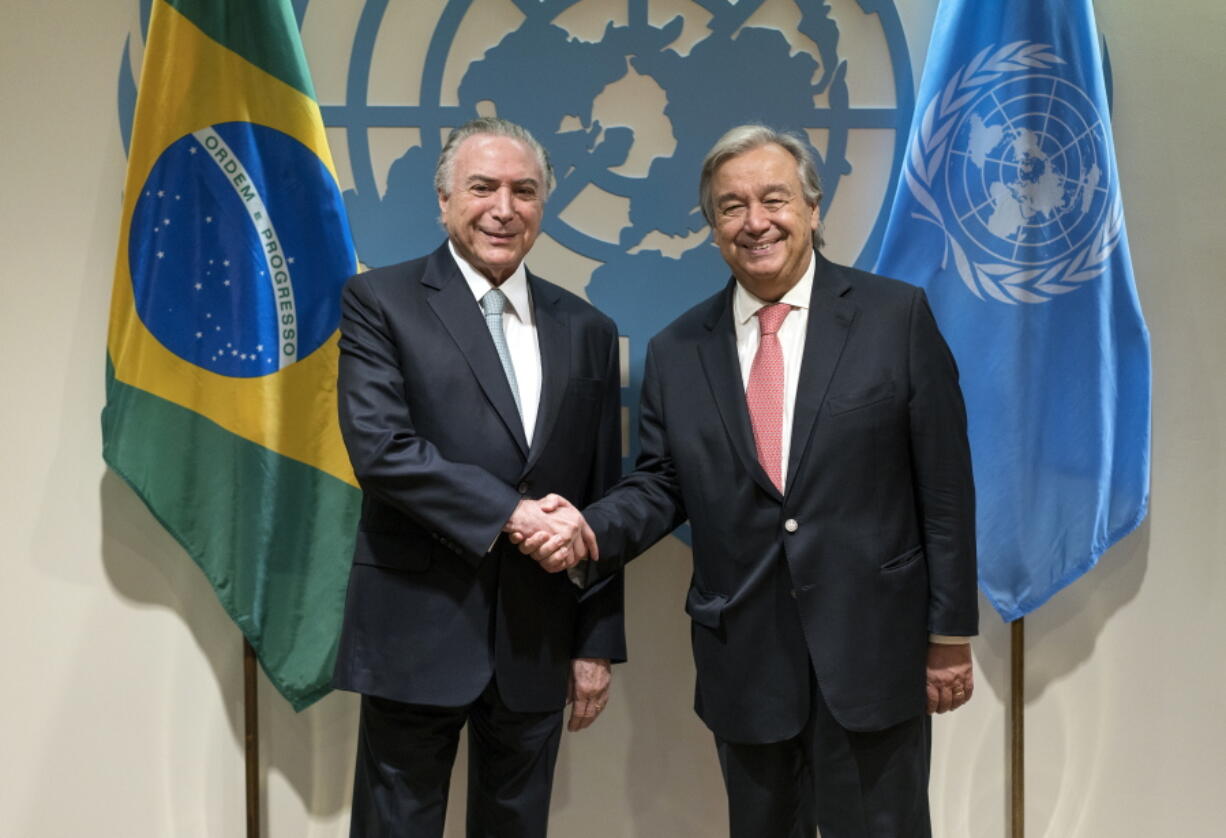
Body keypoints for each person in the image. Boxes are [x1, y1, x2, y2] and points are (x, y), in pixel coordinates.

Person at [516, 125, 978, 837]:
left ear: (814, 209)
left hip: (873, 654)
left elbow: (945, 487)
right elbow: (662, 483)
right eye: (731, 207)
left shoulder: (894, 318)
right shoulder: (677, 350)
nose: (755, 222)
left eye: (774, 199)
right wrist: (586, 529)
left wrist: (949, 634)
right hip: (748, 660)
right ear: (711, 226)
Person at [331, 117, 625, 838]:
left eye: (524, 190)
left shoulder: (586, 327)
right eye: (483, 187)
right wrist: (514, 516)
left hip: (537, 642)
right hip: (415, 632)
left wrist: (595, 641)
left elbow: (600, 492)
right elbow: (381, 449)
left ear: (543, 206)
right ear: (443, 201)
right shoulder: (381, 302)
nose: (504, 207)